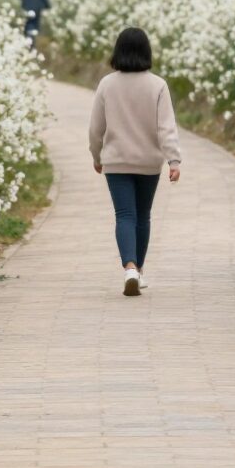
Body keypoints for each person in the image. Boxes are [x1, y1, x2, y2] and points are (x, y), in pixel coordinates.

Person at [88, 27, 182, 296]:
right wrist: (174, 160)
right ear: (146, 52)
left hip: (116, 162)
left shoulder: (107, 84)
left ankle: (129, 267)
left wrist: (96, 155)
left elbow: (96, 127)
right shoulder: (158, 85)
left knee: (124, 215)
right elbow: (166, 127)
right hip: (149, 162)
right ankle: (138, 271)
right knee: (143, 216)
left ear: (117, 51)